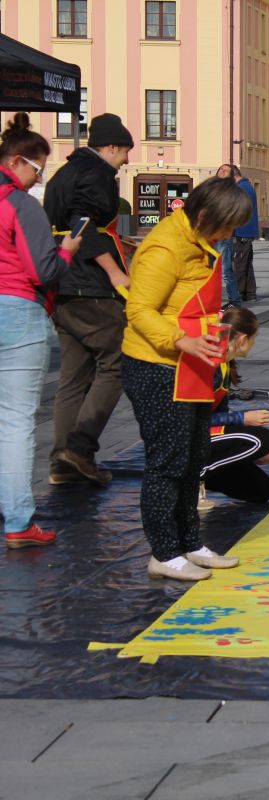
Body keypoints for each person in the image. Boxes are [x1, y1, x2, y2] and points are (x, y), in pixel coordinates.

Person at [120, 176, 251, 581]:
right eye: (228, 226)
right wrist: (182, 341)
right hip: (157, 366)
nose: (230, 235)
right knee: (168, 462)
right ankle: (164, 552)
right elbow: (140, 311)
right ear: (207, 215)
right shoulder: (165, 247)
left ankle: (191, 543)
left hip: (190, 366)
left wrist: (213, 333)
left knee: (195, 456)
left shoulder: (200, 244)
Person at [0, 113, 83, 548]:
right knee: (14, 423)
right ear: (18, 161)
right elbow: (42, 269)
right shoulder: (20, 204)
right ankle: (18, 523)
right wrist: (67, 251)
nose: (38, 179)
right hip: (16, 311)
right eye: (37, 169)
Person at [42, 112, 134, 487]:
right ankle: (80, 448)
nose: (126, 160)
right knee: (117, 361)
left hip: (62, 283)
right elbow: (83, 224)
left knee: (74, 375)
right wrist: (114, 272)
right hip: (89, 286)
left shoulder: (63, 174)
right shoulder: (96, 174)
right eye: (124, 152)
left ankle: (61, 462)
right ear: (110, 147)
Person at [202, 306, 269, 503]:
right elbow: (196, 418)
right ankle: (190, 481)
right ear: (241, 339)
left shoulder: (224, 365)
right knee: (263, 438)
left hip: (204, 435)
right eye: (253, 338)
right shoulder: (211, 366)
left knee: (262, 490)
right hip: (188, 439)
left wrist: (255, 455)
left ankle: (206, 476)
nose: (253, 344)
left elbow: (219, 423)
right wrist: (242, 419)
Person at [229, 165, 259, 302]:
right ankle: (250, 293)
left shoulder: (241, 189)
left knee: (239, 265)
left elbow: (236, 210)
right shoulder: (248, 186)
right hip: (248, 231)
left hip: (241, 231)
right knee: (246, 264)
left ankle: (239, 294)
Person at [214, 164, 241, 308]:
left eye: (225, 170)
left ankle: (235, 301)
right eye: (220, 169)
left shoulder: (232, 192)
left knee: (226, 270)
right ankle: (210, 301)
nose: (222, 171)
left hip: (223, 235)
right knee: (206, 269)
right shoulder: (211, 189)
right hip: (209, 234)